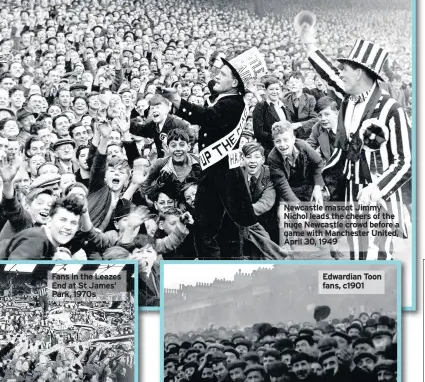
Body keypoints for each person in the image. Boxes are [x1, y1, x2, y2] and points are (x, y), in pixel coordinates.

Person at [161, 48, 286, 260]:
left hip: (227, 176)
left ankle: (278, 260)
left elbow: (208, 116)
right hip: (216, 174)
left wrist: (179, 102)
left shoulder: (233, 103)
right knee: (211, 228)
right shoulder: (225, 96)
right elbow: (213, 88)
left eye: (223, 73)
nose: (216, 75)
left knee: (235, 226)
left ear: (235, 83)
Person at [300, 27, 412, 260]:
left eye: (345, 69)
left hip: (378, 195)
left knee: (376, 254)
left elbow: (406, 162)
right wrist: (310, 45)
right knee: (356, 251)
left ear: (359, 73)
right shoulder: (349, 99)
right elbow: (328, 74)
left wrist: (377, 189)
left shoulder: (392, 109)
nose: (340, 73)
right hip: (351, 189)